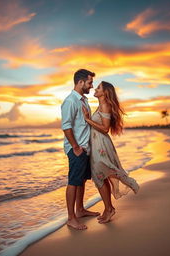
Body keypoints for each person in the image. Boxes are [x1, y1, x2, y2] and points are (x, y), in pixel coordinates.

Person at [82, 81, 139, 224]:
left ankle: (123, 185)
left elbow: (105, 128)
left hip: (101, 144)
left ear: (105, 92)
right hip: (97, 144)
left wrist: (87, 119)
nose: (95, 88)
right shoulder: (101, 105)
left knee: (100, 174)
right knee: (100, 176)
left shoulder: (105, 104)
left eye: (99, 87)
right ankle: (109, 208)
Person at [61, 69, 100, 230]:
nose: (92, 86)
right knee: (74, 181)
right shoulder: (70, 101)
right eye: (90, 82)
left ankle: (80, 209)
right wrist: (76, 147)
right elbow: (66, 126)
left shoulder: (83, 100)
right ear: (80, 82)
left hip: (85, 148)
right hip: (76, 149)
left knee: (82, 180)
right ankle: (71, 218)